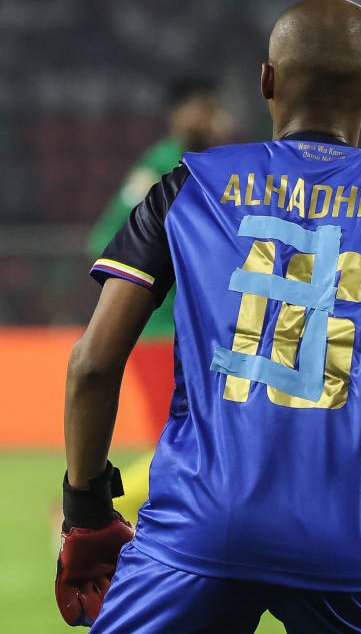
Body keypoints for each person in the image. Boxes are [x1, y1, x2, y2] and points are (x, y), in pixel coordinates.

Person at [55, 2, 361, 634]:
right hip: (345, 534)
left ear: (266, 80)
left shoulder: (185, 186)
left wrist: (88, 510)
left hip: (197, 529)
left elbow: (92, 364)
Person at [88, 77, 234, 521]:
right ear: (179, 114)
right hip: (159, 329)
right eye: (205, 109)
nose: (215, 120)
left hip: (196, 332)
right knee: (182, 442)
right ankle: (95, 509)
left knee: (192, 441)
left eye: (215, 110)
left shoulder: (214, 166)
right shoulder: (161, 166)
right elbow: (110, 235)